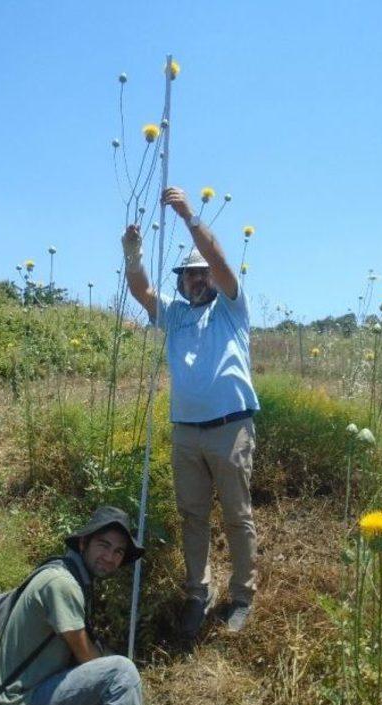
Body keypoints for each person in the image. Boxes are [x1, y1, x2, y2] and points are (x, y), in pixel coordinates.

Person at [122, 187, 260, 640]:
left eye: (201, 275)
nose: (196, 280)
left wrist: (188, 216)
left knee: (237, 516)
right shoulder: (176, 315)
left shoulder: (231, 308)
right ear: (181, 281)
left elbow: (218, 258)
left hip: (230, 428)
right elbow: (141, 291)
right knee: (192, 515)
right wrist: (133, 255)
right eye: (189, 276)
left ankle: (241, 596)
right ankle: (197, 595)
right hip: (186, 434)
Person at [0, 505, 178, 705]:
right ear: (83, 543)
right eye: (104, 545)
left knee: (114, 700)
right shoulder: (62, 584)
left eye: (118, 551)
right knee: (121, 674)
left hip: (22, 700)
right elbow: (85, 656)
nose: (111, 557)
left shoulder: (70, 574)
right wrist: (121, 676)